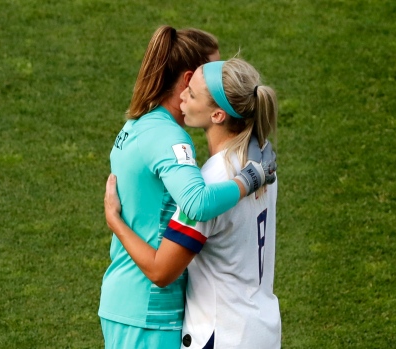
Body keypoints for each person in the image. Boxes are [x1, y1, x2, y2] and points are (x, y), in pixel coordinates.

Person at [98, 26, 276, 349]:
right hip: (156, 312)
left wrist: (115, 223)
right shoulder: (261, 163)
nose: (185, 96)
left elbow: (165, 263)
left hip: (172, 316)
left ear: (219, 112)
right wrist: (250, 178)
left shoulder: (138, 126)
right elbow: (198, 202)